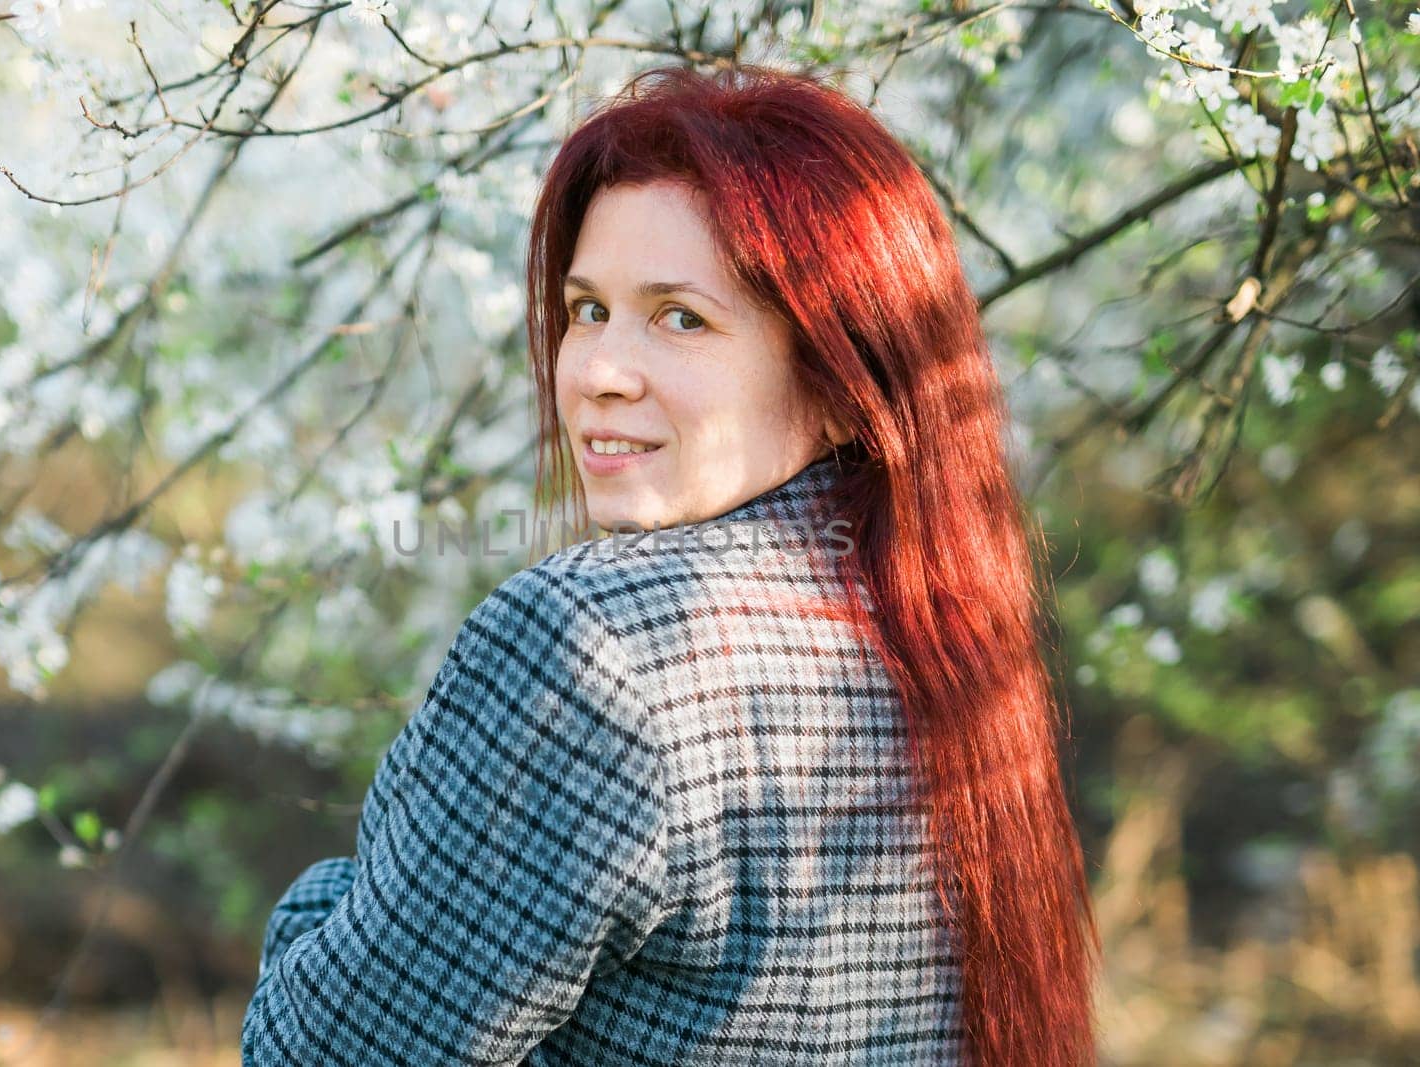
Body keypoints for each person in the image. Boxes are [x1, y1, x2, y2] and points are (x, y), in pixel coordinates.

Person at [241, 63, 1099, 1066]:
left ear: (836, 378)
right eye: (587, 308)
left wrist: (348, 894)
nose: (597, 371)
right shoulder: (935, 623)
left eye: (680, 316)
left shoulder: (592, 647)